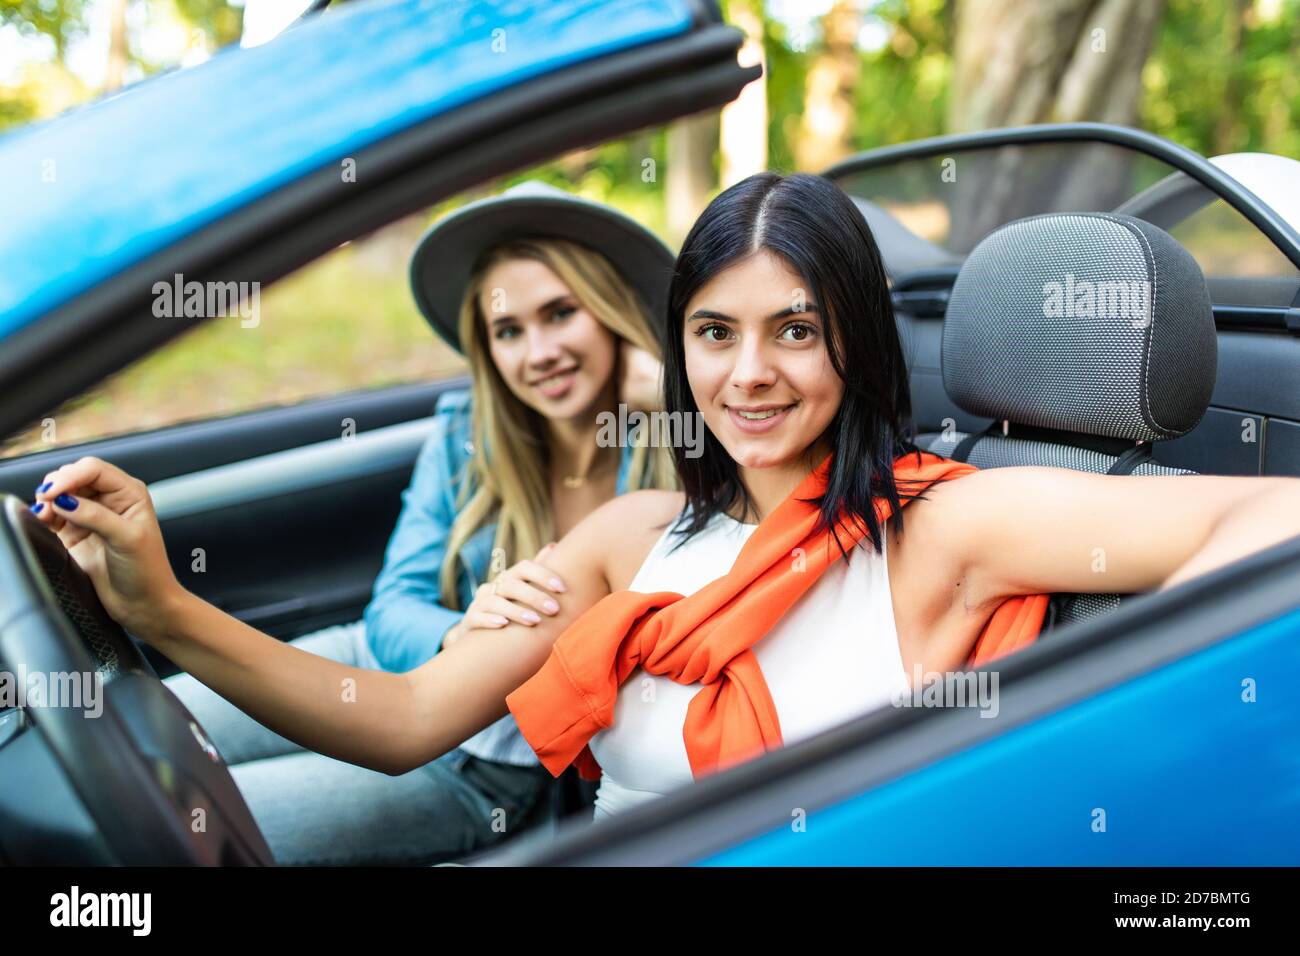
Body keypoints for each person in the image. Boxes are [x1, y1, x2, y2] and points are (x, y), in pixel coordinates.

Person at [31, 172, 1300, 830]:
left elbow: (1260, 521)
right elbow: (402, 717)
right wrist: (169, 609)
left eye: (794, 330)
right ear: (679, 346)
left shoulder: (944, 525)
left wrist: (1102, 722)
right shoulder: (630, 538)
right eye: (715, 332)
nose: (749, 374)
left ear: (854, 341)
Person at [141, 180, 677, 863]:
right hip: (367, 658)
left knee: (176, 829)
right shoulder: (465, 435)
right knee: (137, 738)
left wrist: (666, 393)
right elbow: (393, 603)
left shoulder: (674, 458)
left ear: (612, 314)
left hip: (478, 759)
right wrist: (464, 632)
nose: (537, 352)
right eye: (508, 330)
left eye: (561, 314)